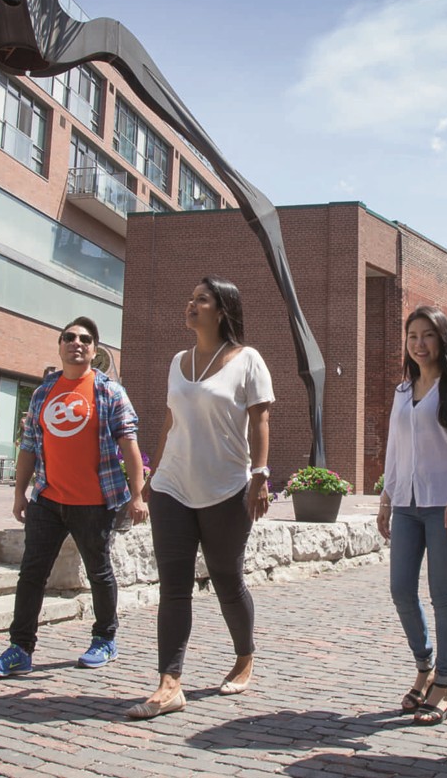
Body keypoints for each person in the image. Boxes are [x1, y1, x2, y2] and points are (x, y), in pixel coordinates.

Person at [129, 276, 274, 720]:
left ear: (222, 310)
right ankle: (169, 683)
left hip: (226, 489)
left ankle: (244, 656)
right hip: (173, 487)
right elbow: (169, 422)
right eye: (190, 298)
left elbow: (260, 422)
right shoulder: (178, 361)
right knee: (173, 587)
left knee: (227, 579)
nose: (190, 305)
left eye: (201, 300)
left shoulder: (248, 360)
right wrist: (151, 475)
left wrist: (260, 476)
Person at [0, 317, 148, 679]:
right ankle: (20, 649)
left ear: (94, 350)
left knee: (99, 572)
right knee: (32, 574)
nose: (77, 343)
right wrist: (19, 493)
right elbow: (29, 446)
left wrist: (138, 496)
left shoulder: (109, 392)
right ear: (59, 345)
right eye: (69, 337)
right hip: (48, 499)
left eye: (85, 339)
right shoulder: (43, 393)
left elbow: (129, 445)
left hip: (95, 503)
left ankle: (104, 639)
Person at [378, 305, 447, 725]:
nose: (419, 344)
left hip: (443, 504)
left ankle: (446, 681)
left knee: (441, 593)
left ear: (442, 340)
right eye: (412, 336)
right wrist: (386, 496)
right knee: (401, 589)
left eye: (427, 335)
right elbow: (394, 447)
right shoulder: (403, 390)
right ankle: (425, 664)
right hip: (406, 503)